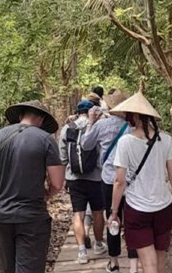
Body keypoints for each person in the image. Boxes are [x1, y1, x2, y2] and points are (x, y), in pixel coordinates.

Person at [0, 100, 65, 273]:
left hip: (2, 215)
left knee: (9, 267)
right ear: (41, 119)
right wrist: (46, 194)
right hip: (31, 216)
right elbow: (57, 183)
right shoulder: (46, 140)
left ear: (20, 115)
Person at [108, 93, 172, 273]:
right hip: (163, 207)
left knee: (149, 265)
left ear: (133, 116)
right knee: (160, 263)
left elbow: (119, 181)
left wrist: (114, 212)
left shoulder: (125, 142)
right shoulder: (165, 140)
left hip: (137, 209)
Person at [81, 89, 139, 273]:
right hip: (130, 180)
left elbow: (86, 145)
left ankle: (114, 262)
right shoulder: (134, 127)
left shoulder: (102, 125)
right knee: (130, 220)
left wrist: (91, 122)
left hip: (108, 179)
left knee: (112, 219)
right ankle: (133, 264)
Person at [59, 100, 107, 264]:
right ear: (91, 112)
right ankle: (99, 244)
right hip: (95, 177)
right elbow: (101, 150)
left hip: (74, 178)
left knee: (77, 214)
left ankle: (81, 252)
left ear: (77, 111)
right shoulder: (97, 126)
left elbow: (63, 156)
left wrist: (65, 176)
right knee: (98, 212)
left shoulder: (68, 128)